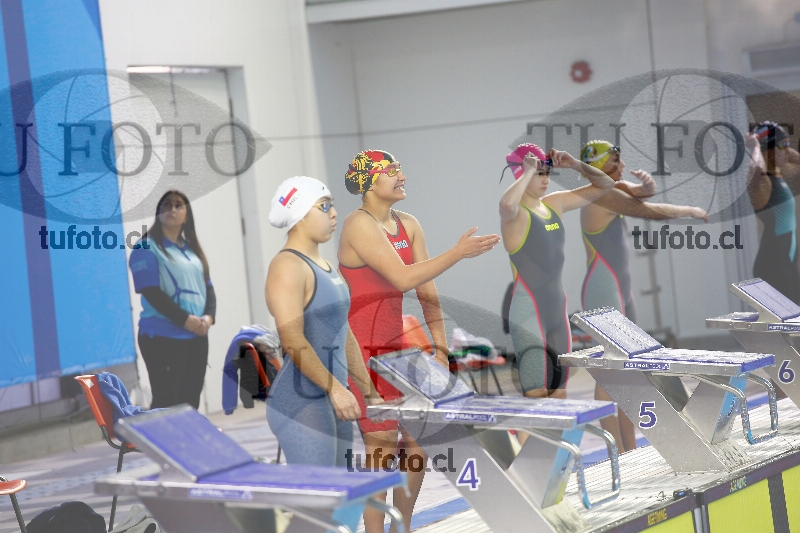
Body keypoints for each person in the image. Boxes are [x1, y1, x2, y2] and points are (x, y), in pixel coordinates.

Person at [338, 150, 500, 533]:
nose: (403, 176)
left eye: (401, 169)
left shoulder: (408, 224)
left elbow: (426, 290)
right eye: (392, 171)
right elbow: (403, 278)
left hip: (398, 351)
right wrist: (457, 253)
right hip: (362, 351)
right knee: (380, 449)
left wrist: (440, 347)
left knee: (419, 441)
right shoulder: (357, 224)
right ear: (369, 182)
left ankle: (403, 528)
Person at [579, 140, 707, 452]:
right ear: (600, 167)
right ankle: (617, 450)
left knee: (628, 370)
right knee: (610, 372)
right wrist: (689, 210)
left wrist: (647, 185)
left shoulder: (612, 189)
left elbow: (639, 193)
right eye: (615, 161)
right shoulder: (602, 196)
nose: (622, 166)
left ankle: (629, 447)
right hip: (603, 291)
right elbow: (650, 212)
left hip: (620, 291)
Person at [265, 176, 382, 469]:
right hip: (301, 401)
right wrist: (336, 389)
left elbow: (344, 334)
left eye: (332, 205)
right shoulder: (287, 266)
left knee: (341, 488)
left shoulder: (327, 267)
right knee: (318, 493)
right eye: (324, 206)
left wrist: (368, 390)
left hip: (332, 394)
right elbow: (292, 339)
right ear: (299, 215)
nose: (334, 213)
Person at [499, 143, 614, 402]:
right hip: (528, 313)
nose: (545, 180)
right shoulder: (516, 216)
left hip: (557, 313)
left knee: (560, 393)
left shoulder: (555, 203)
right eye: (538, 174)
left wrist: (575, 165)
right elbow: (506, 204)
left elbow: (606, 185)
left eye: (547, 173)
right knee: (537, 396)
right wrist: (529, 171)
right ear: (521, 173)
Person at [129, 190, 215, 409]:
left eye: (178, 206)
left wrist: (208, 318)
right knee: (167, 402)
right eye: (166, 205)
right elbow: (151, 291)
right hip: (161, 337)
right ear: (158, 213)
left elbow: (209, 289)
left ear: (187, 216)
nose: (172, 209)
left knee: (190, 403)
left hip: (196, 336)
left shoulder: (193, 251)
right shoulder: (145, 247)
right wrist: (185, 320)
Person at [747, 122, 800, 304]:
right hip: (773, 265)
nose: (788, 151)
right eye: (783, 146)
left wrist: (784, 146)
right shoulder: (761, 182)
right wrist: (755, 146)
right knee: (787, 320)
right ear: (766, 150)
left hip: (786, 260)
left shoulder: (777, 175)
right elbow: (757, 169)